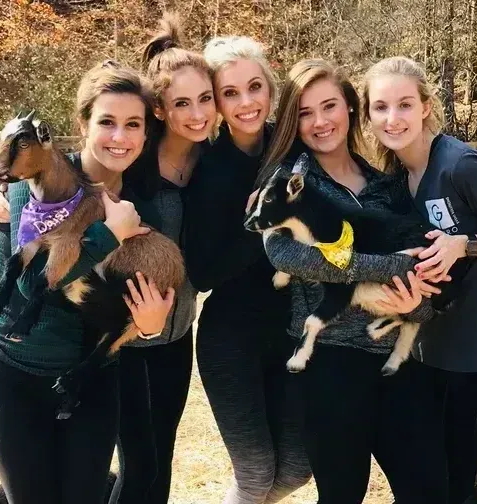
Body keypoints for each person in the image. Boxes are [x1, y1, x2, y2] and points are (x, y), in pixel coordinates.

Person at [0, 60, 175, 504]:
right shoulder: (37, 178)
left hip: (88, 383)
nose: (120, 137)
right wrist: (108, 236)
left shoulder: (143, 211)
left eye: (133, 124)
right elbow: (30, 288)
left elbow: (130, 309)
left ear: (146, 134)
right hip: (15, 377)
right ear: (82, 124)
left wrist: (148, 324)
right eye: (106, 122)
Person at [258, 58, 450, 504]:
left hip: (396, 360)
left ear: (350, 107)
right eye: (305, 113)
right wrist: (388, 267)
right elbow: (285, 254)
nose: (320, 122)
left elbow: (424, 280)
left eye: (330, 106)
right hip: (328, 363)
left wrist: (414, 306)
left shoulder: (390, 185)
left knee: (430, 490)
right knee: (342, 494)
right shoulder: (292, 183)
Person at [363, 55, 477, 504]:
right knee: (432, 477)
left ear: (425, 106)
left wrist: (466, 243)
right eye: (380, 107)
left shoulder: (463, 167)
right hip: (434, 344)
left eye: (404, 104)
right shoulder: (398, 176)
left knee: (461, 484)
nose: (393, 117)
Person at [184, 36, 311, 504]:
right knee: (256, 474)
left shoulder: (296, 147)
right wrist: (256, 227)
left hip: (296, 331)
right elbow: (201, 273)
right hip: (231, 338)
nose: (245, 102)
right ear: (215, 101)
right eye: (230, 93)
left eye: (254, 87)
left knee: (297, 469)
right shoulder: (209, 168)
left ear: (270, 89)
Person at [107, 14, 218, 504]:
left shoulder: (213, 161)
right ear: (159, 109)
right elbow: (67, 185)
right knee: (139, 467)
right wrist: (1, 205)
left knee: (163, 457)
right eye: (182, 103)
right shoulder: (130, 162)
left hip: (177, 336)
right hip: (123, 338)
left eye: (205, 99)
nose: (197, 114)